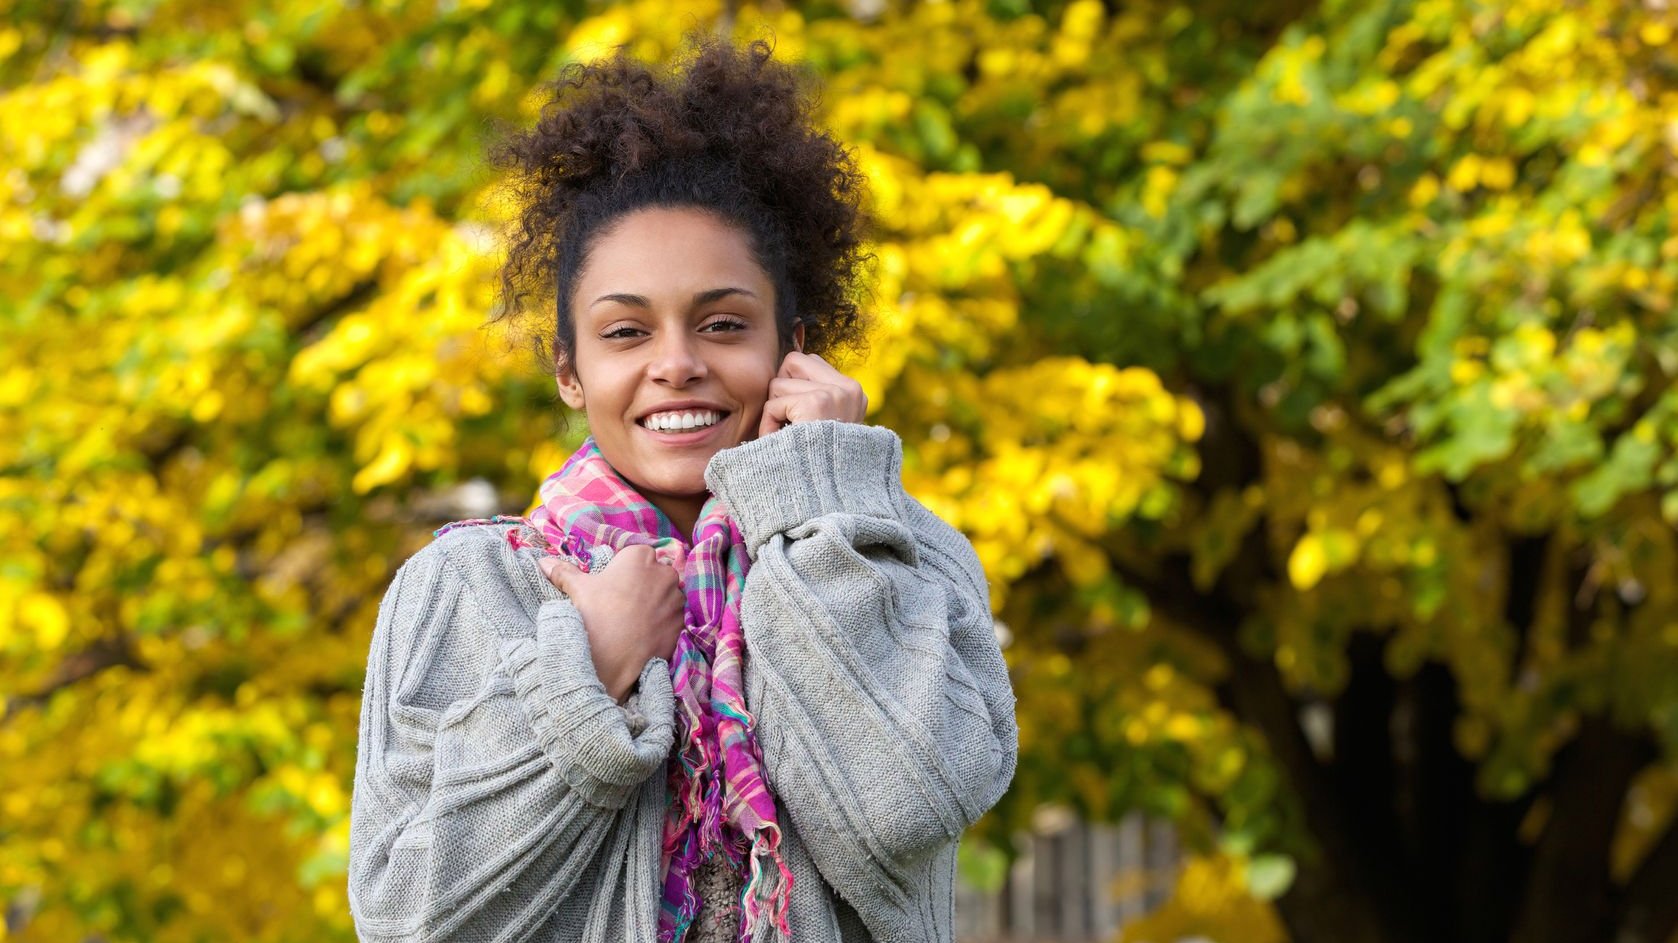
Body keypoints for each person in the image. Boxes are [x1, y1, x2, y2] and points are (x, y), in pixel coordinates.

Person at [346, 36, 1018, 943]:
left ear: (795, 344)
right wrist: (583, 676)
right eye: (625, 332)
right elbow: (408, 920)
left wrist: (822, 506)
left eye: (724, 323)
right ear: (568, 371)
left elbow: (902, 804)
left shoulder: (896, 549)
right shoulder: (467, 588)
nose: (677, 364)